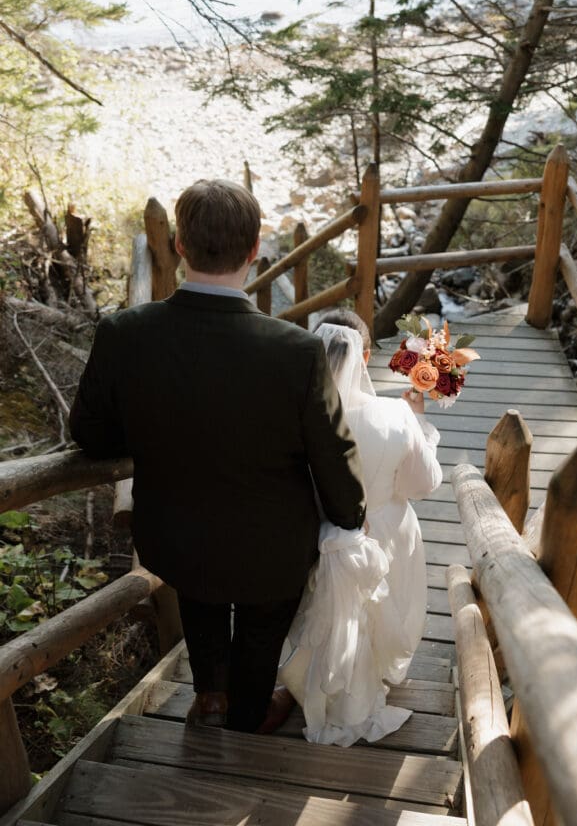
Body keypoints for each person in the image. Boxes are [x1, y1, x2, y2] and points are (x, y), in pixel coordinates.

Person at [69, 180, 366, 734]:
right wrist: (351, 517)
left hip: (176, 535)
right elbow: (332, 453)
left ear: (180, 245)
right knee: (260, 631)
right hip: (272, 544)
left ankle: (209, 698)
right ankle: (247, 717)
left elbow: (89, 433)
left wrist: (150, 433)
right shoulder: (296, 351)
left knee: (200, 598)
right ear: (255, 251)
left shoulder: (124, 334)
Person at [278, 309, 442, 746]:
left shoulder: (291, 411)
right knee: (377, 600)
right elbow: (423, 484)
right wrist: (422, 426)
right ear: (366, 356)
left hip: (315, 532)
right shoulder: (395, 414)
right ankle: (374, 670)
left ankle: (308, 673)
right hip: (384, 532)